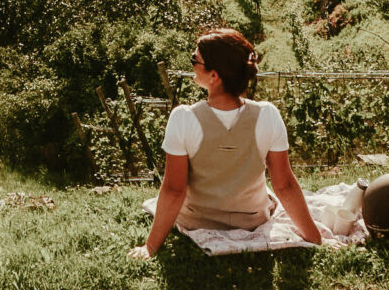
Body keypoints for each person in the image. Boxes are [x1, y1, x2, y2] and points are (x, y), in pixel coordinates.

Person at [132, 27, 321, 259]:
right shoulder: (268, 115)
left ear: (214, 76)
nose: (191, 64)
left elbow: (174, 189)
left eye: (195, 60)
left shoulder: (183, 118)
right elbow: (284, 185)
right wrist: (316, 237)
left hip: (196, 221)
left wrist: (149, 247)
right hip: (252, 220)